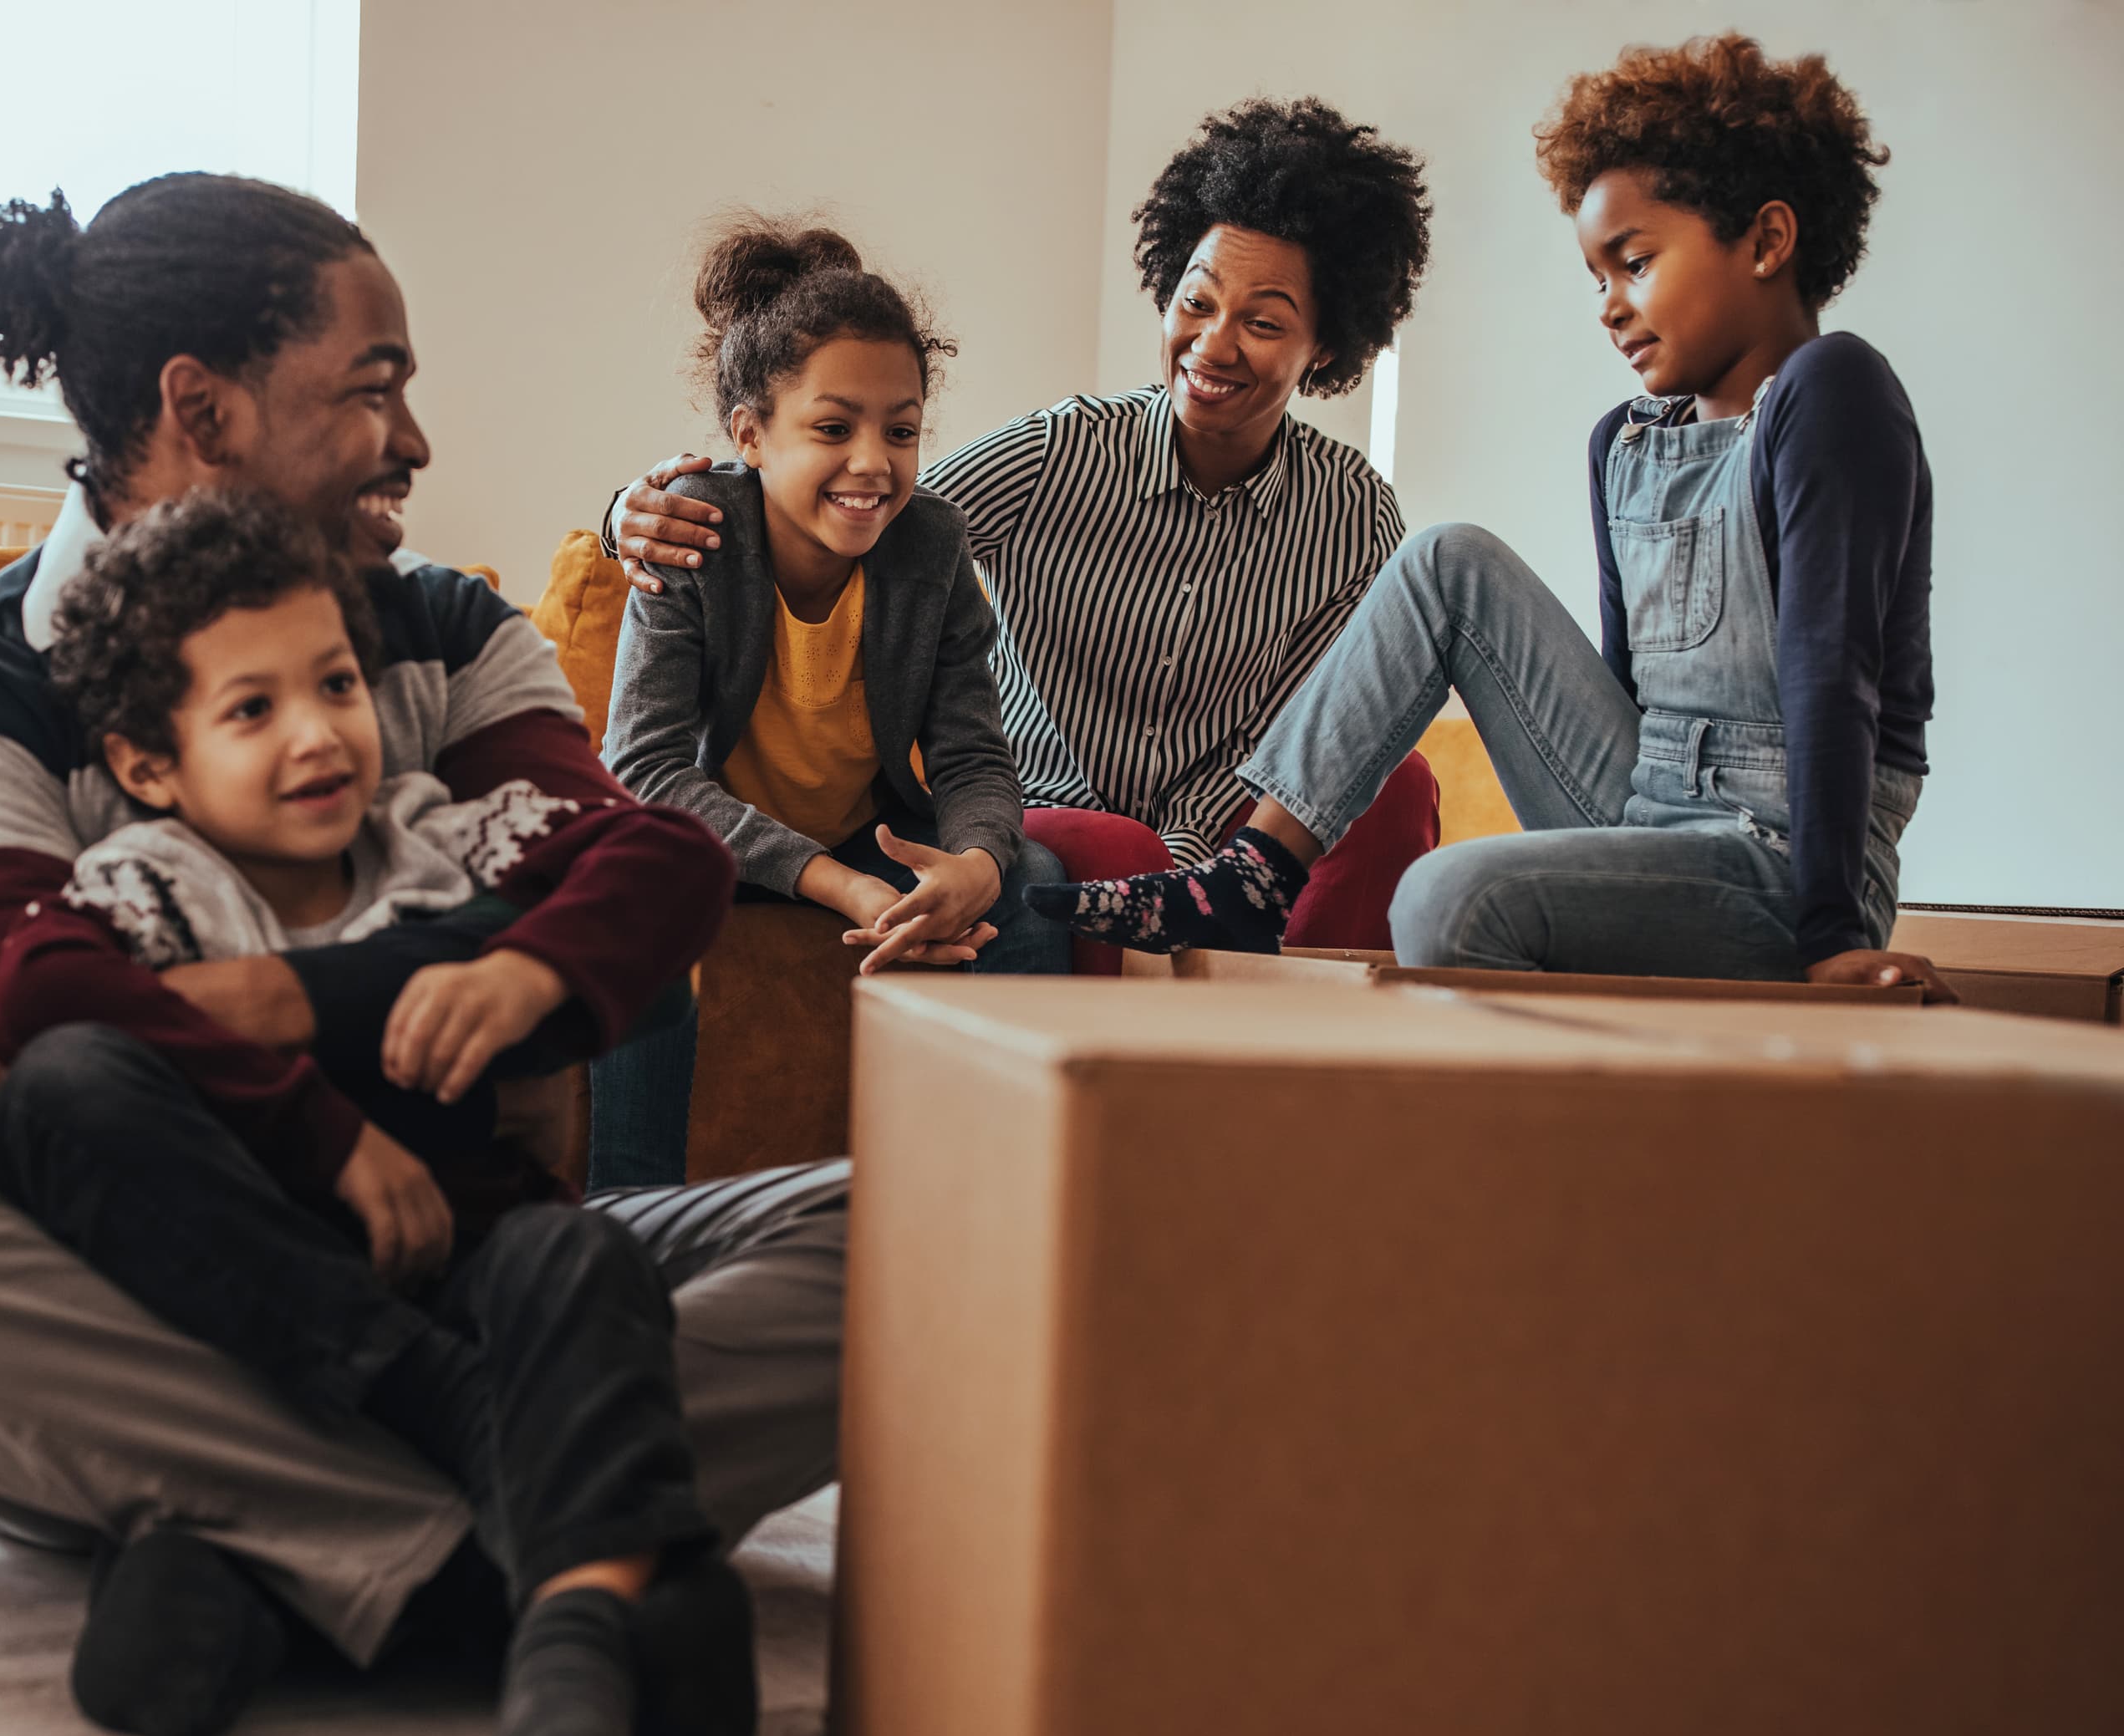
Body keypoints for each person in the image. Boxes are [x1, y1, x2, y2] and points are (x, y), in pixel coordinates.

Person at [0, 171, 852, 1736]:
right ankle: (554, 1545)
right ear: (201, 415)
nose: (414, 442)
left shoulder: (451, 634)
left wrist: (300, 1003)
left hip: (466, 1247)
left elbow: (623, 898)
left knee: (933, 1231)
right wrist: (463, 991)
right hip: (152, 1305)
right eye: (375, 389)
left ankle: (260, 1566)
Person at [0, 486, 750, 1736]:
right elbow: (34, 997)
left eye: (335, 683)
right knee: (66, 1090)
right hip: (273, 1326)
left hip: (475, 1262)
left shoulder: (442, 837)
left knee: (583, 1263)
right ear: (151, 764)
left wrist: (520, 970)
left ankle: (551, 1675)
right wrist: (323, 1133)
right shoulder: (148, 888)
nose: (319, 732)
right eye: (252, 710)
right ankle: (552, 1530)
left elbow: (675, 854)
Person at [1031, 34, 1954, 999]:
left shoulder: (1831, 389)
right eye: (1598, 277)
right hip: (1652, 806)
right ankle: (1253, 878)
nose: (1610, 306)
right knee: (1447, 559)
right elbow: (1626, 702)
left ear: (1768, 241)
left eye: (1635, 263)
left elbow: (1833, 671)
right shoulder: (1626, 443)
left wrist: (1833, 932)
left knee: (1445, 899)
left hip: (1787, 858)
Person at [608, 102, 1438, 950]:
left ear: (1327, 347)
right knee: (1118, 847)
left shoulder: (1353, 513)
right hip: (1056, 813)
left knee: (1402, 785)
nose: (1212, 345)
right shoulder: (1059, 452)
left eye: (1261, 323)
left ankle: (1320, 1052)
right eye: (1197, 302)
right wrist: (626, 516)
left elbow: (1329, 737)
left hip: (1227, 848)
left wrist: (1220, 861)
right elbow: (857, 505)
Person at [586, 217, 1068, 1189]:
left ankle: (984, 1201)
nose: (873, 463)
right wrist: (837, 885)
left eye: (902, 431)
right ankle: (628, 1214)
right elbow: (644, 772)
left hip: (860, 832)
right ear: (750, 435)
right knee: (626, 886)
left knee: (1035, 881)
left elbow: (975, 759)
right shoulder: (691, 536)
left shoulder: (931, 548)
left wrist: (975, 862)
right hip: (714, 845)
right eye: (832, 427)